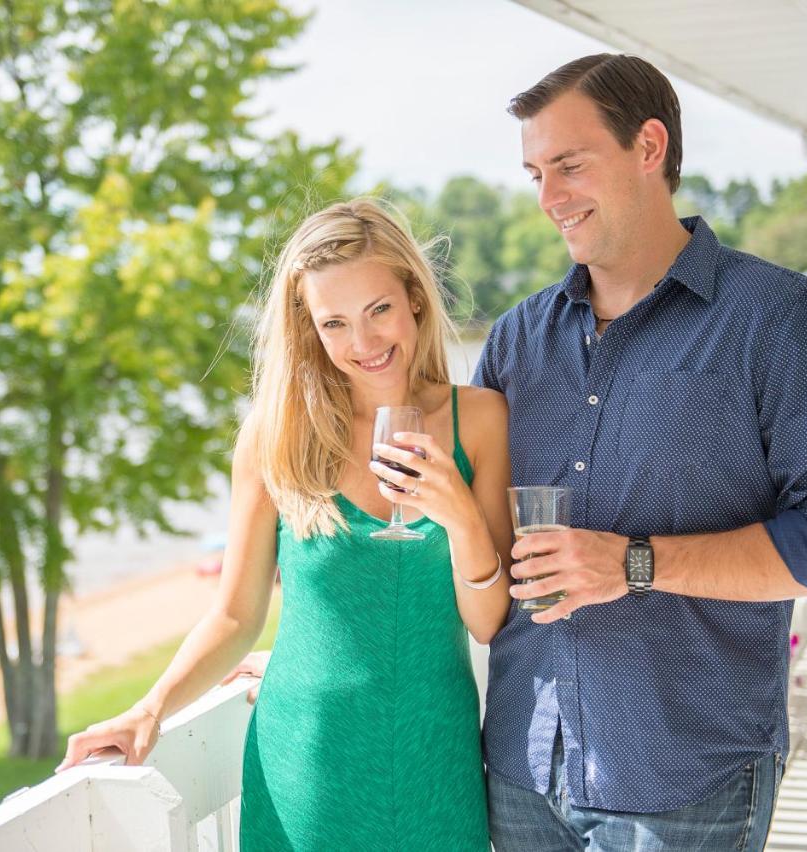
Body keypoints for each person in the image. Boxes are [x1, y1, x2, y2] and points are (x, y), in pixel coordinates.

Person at [473, 54, 807, 851]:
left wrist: (634, 564)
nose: (548, 198)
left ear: (649, 146)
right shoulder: (515, 341)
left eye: (569, 165)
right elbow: (470, 539)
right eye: (535, 172)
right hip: (522, 770)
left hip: (684, 778)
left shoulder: (781, 319)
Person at [54, 198, 513, 850]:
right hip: (306, 764)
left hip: (434, 761)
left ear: (414, 296)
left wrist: (462, 516)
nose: (364, 343)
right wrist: (148, 710)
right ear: (311, 330)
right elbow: (235, 616)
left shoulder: (482, 421)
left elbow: (489, 620)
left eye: (378, 309)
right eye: (335, 323)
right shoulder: (277, 436)